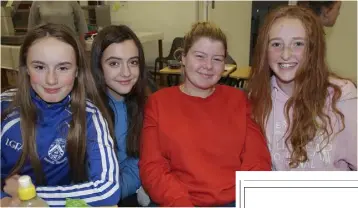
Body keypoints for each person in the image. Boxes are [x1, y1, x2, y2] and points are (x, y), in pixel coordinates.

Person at [139, 21, 271, 207]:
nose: (208, 66)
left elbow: (257, 160)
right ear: (183, 57)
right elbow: (152, 167)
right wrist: (180, 203)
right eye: (200, 56)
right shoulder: (158, 103)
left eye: (217, 59)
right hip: (177, 201)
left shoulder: (240, 100)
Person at [1, 23, 120, 207]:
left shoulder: (89, 117)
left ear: (77, 71)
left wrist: (25, 197)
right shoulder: (4, 106)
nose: (51, 79)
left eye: (63, 68)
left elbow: (108, 189)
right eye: (40, 67)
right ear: (26, 69)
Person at [247, 5, 357, 170]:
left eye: (298, 43)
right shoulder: (257, 101)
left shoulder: (341, 99)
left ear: (312, 50)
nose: (285, 54)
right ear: (265, 51)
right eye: (276, 44)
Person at [90, 25, 150, 206]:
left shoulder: (145, 103)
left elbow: (138, 160)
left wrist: (113, 192)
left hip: (122, 190)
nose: (126, 72)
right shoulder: (86, 111)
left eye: (133, 62)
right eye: (114, 63)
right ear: (98, 66)